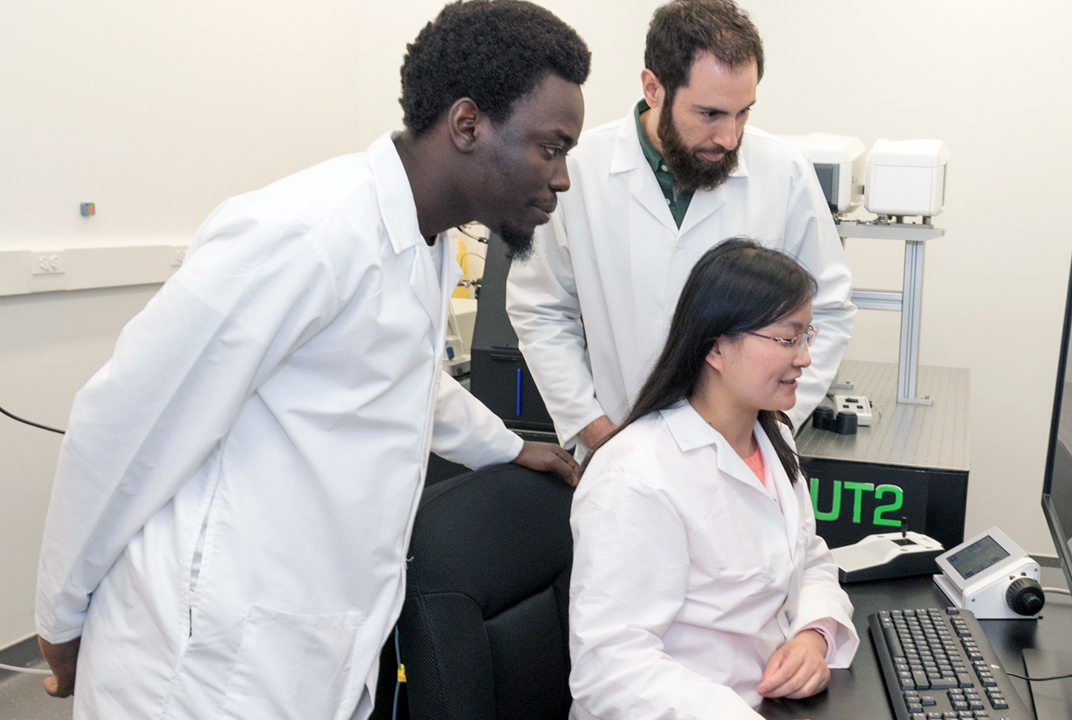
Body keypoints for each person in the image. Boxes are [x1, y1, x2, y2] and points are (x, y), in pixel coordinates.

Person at [33, 2, 588, 718]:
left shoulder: (424, 240)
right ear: (468, 125)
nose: (563, 177)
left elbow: (400, 380)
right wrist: (61, 616)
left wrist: (511, 448)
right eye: (552, 146)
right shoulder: (303, 234)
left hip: (312, 648)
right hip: (204, 664)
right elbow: (123, 423)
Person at [506, 0, 855, 457]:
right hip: (618, 451)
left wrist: (773, 425)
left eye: (743, 112)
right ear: (653, 88)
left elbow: (827, 311)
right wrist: (592, 427)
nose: (730, 138)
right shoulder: (581, 170)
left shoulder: (784, 173)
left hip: (743, 453)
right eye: (709, 114)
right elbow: (542, 309)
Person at [568, 239, 858, 720]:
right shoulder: (636, 475)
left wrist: (813, 635)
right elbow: (610, 670)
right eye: (788, 339)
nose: (804, 358)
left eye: (808, 336)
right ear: (716, 349)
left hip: (767, 703)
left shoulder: (772, 437)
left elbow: (809, 561)